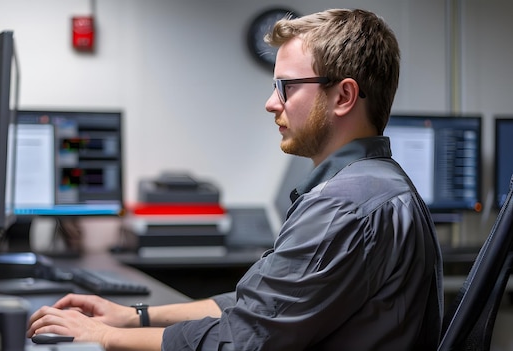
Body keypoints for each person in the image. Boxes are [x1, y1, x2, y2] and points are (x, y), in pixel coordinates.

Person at [27, 8, 443, 350]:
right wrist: (137, 316)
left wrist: (104, 336)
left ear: (344, 96)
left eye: (286, 87)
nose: (270, 103)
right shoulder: (375, 187)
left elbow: (240, 340)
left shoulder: (345, 205)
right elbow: (259, 307)